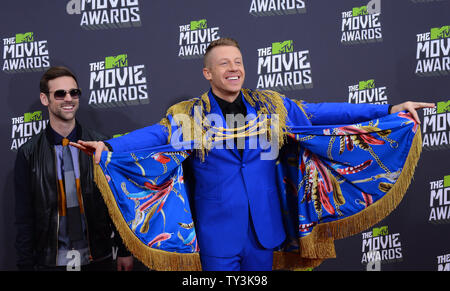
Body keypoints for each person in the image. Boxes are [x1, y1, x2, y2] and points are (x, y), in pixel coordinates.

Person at [73, 38, 435, 271]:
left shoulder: (272, 106)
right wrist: (110, 147)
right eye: (224, 63)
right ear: (207, 72)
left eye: (238, 61)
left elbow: (326, 113)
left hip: (265, 229)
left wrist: (388, 109)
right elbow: (156, 137)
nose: (234, 68)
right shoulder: (188, 115)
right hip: (217, 234)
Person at [14, 66, 134, 271]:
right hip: (50, 262)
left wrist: (124, 250)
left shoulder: (101, 145)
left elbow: (117, 202)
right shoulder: (28, 154)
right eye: (60, 93)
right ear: (45, 99)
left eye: (74, 92)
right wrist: (25, 264)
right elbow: (24, 218)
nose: (68, 98)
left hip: (98, 258)